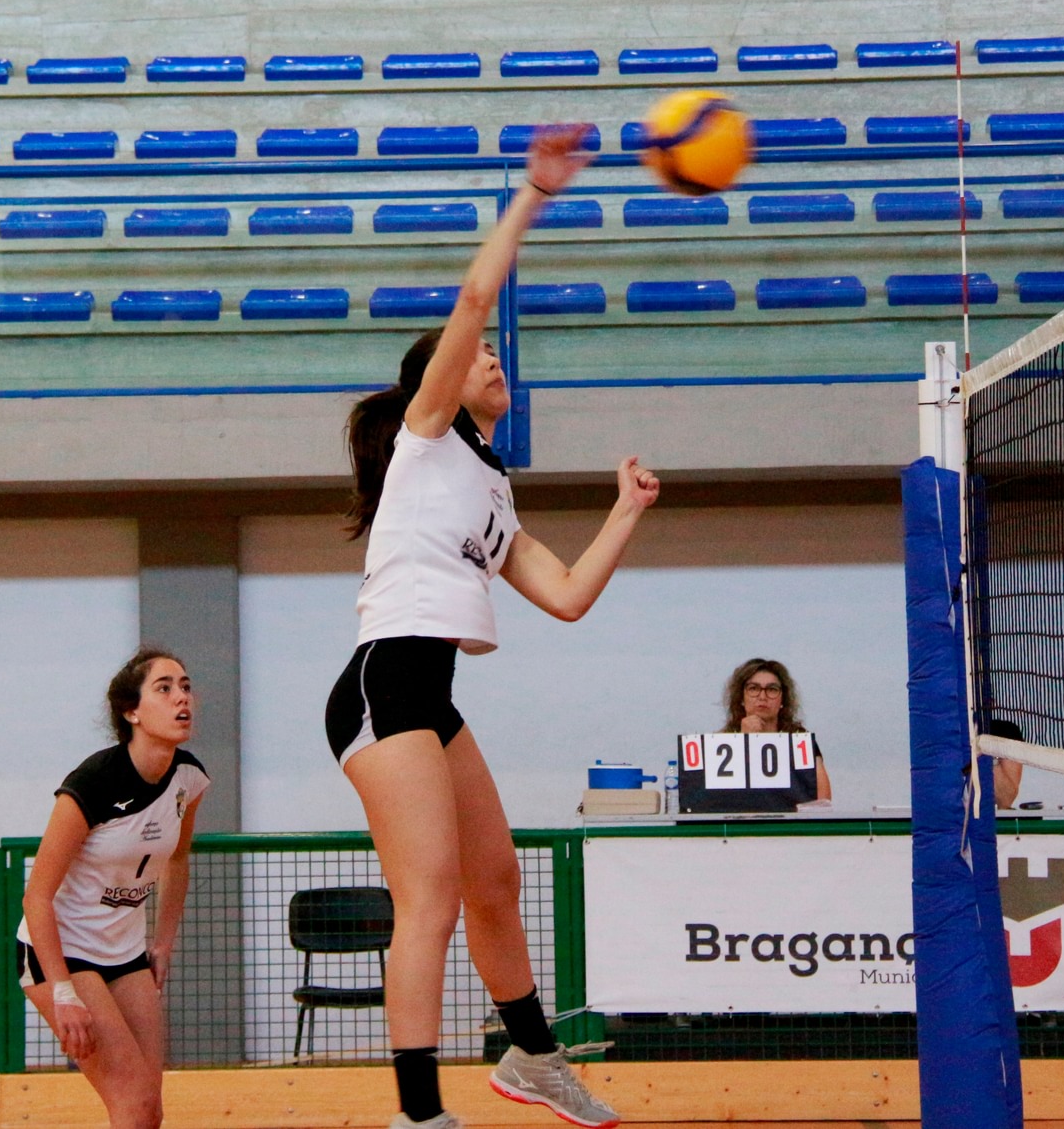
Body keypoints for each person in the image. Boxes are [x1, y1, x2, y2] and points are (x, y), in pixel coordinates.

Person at [331, 125, 659, 1129]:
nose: (494, 362)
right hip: (382, 684)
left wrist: (626, 511)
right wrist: (531, 195)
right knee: (426, 896)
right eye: (480, 358)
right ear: (442, 376)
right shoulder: (425, 442)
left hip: (432, 695)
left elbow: (562, 595)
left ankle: (530, 1058)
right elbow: (473, 302)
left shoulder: (489, 489)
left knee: (496, 881)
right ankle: (417, 1114)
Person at [20, 648, 209, 1129]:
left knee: (148, 1111)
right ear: (132, 712)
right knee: (133, 1102)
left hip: (125, 955)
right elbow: (36, 896)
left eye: (185, 686)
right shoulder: (94, 782)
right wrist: (62, 991)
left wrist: (162, 942)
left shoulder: (189, 777)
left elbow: (179, 859)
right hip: (64, 953)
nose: (181, 698)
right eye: (164, 689)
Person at [718, 658, 832, 803]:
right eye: (753, 688)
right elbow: (718, 800)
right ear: (741, 697)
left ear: (783, 700)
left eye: (772, 689)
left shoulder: (799, 740)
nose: (762, 697)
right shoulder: (721, 742)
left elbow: (823, 799)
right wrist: (743, 742)